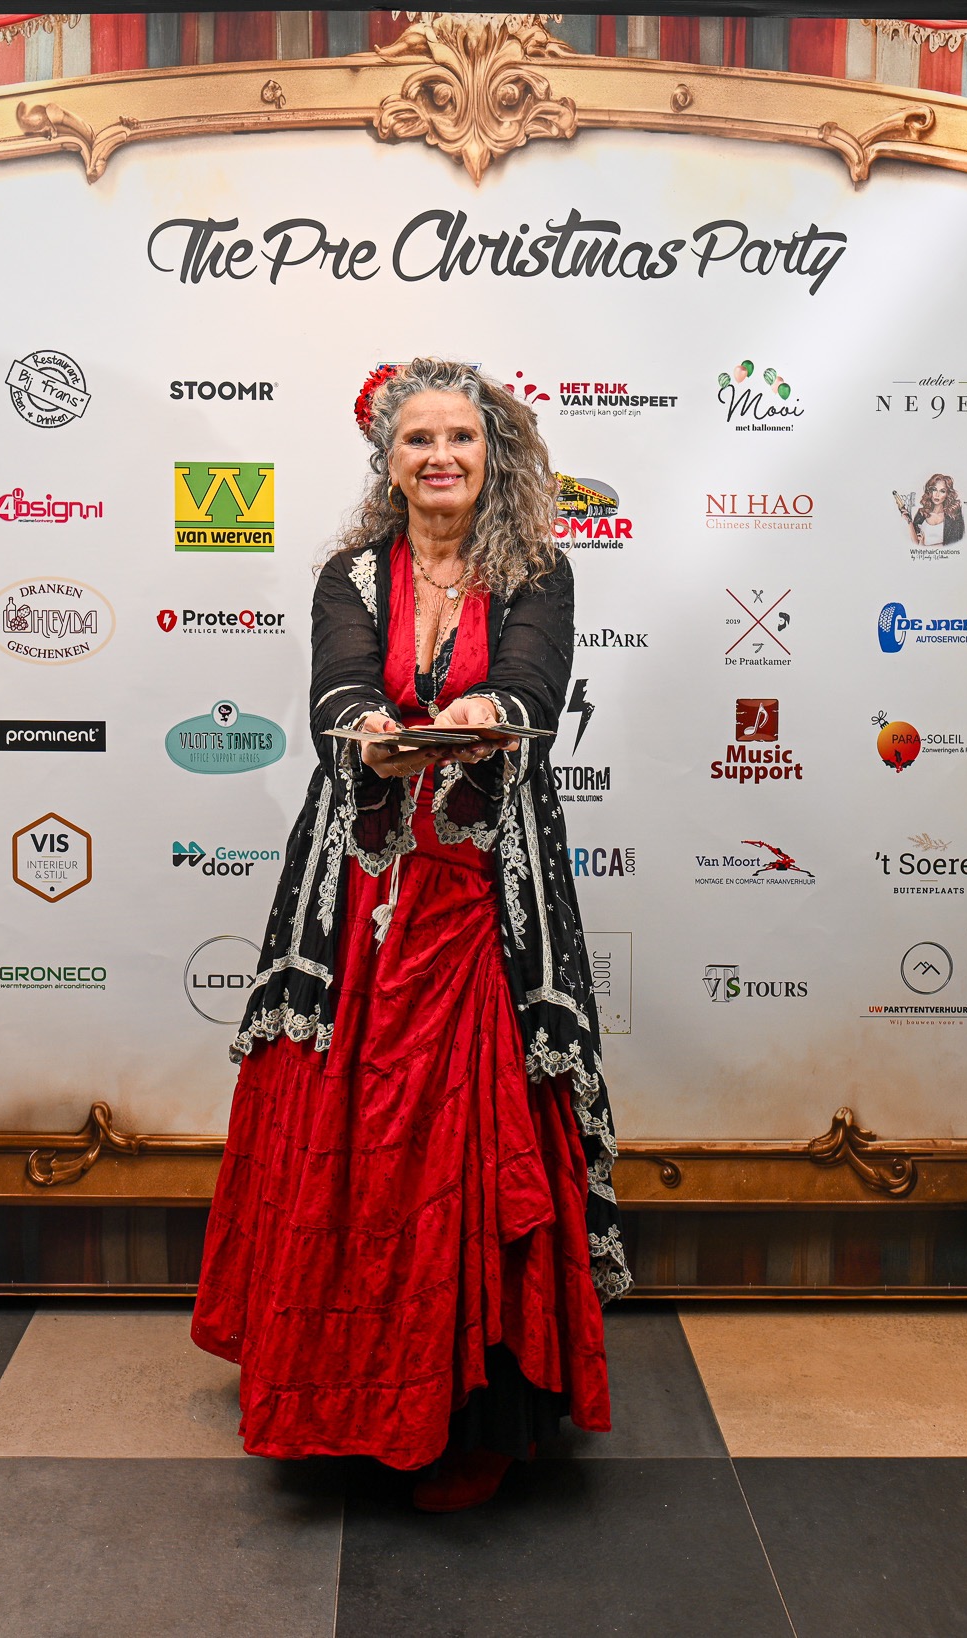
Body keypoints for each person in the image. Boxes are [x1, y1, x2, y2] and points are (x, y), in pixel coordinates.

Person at [192, 358, 629, 1512]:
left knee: (470, 1135)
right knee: (346, 1124)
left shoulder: (538, 570)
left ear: (493, 454)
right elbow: (335, 693)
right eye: (417, 440)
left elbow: (533, 684)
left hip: (482, 894)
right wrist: (371, 734)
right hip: (363, 895)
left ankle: (469, 1410)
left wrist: (488, 709)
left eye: (460, 438)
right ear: (386, 463)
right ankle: (332, 1387)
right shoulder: (349, 576)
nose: (441, 457)